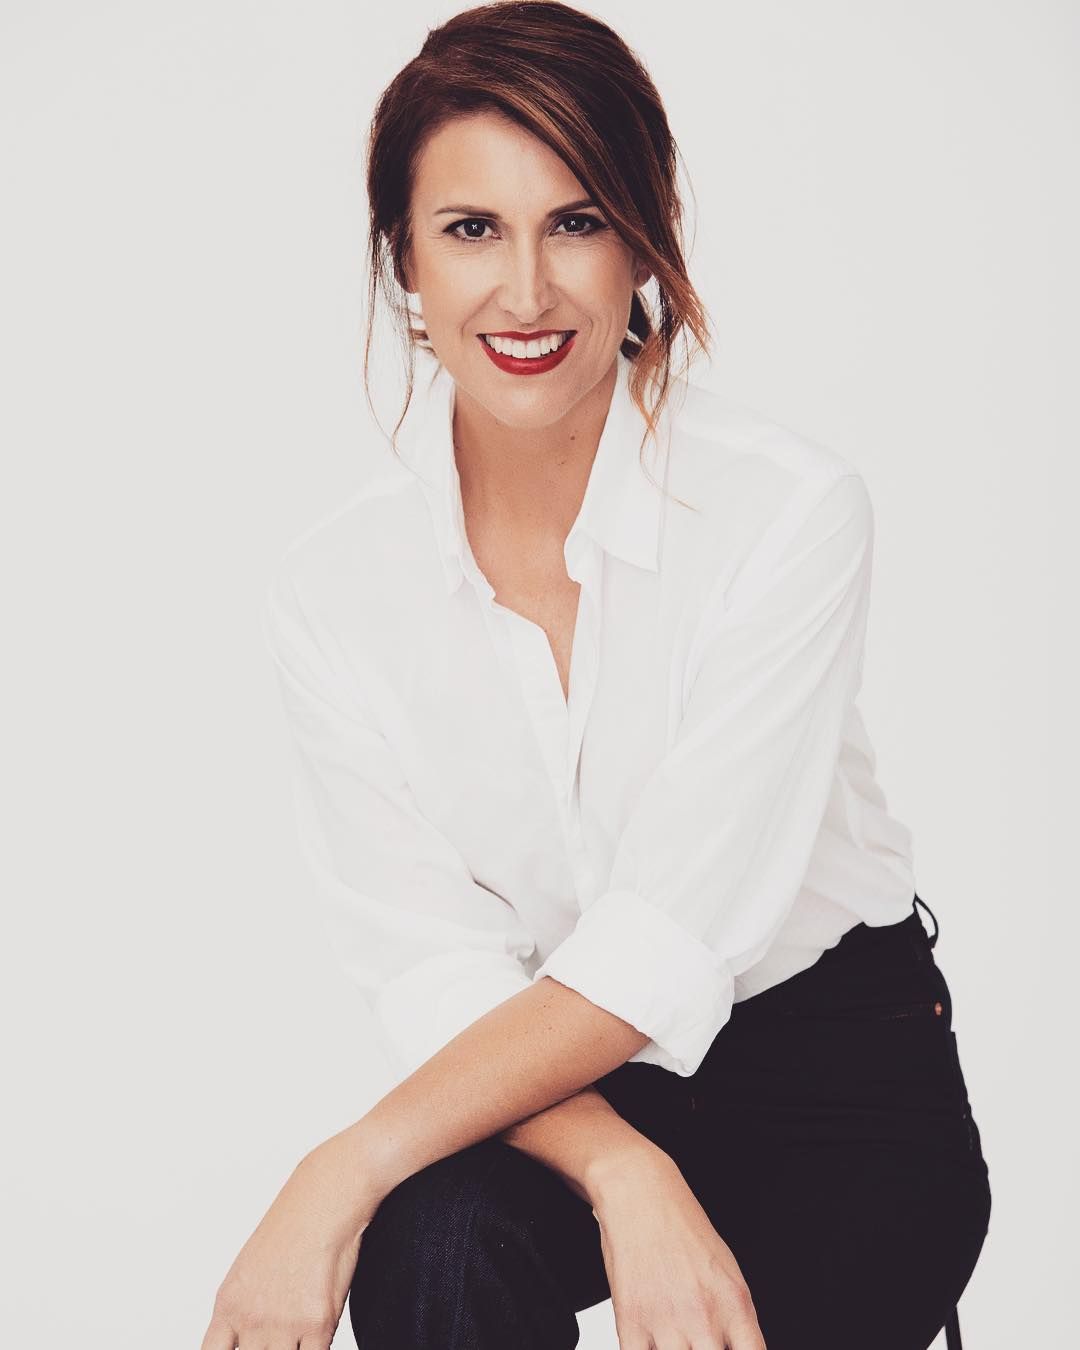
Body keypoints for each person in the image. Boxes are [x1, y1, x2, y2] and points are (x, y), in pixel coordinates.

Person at [201, 4, 991, 1348]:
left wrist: (339, 1165)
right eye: (471, 229)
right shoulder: (335, 595)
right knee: (433, 1249)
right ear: (403, 256)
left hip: (836, 1070)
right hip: (556, 1083)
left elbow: (671, 934)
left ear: (642, 235)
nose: (525, 293)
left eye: (574, 222)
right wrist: (625, 1166)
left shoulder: (786, 513)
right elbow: (432, 966)